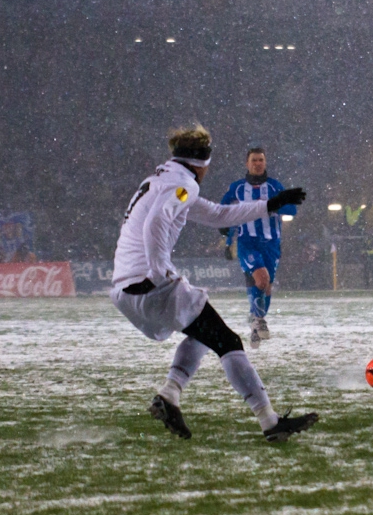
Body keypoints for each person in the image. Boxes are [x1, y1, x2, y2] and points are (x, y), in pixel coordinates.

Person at [110, 125, 316, 442]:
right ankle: (270, 422)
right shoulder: (182, 186)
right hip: (149, 283)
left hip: (124, 290)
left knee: (203, 334)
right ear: (201, 162)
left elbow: (219, 214)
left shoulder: (162, 180)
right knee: (228, 342)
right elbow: (157, 222)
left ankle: (169, 395)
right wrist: (160, 271)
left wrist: (270, 204)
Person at [220, 147, 298, 348]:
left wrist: (272, 205)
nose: (258, 163)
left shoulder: (274, 187)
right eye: (254, 160)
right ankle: (258, 320)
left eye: (261, 160)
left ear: (265, 163)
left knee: (267, 286)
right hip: (248, 242)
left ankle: (256, 320)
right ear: (247, 164)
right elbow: (224, 212)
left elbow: (292, 208)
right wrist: (228, 239)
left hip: (271, 243)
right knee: (261, 279)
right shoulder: (237, 188)